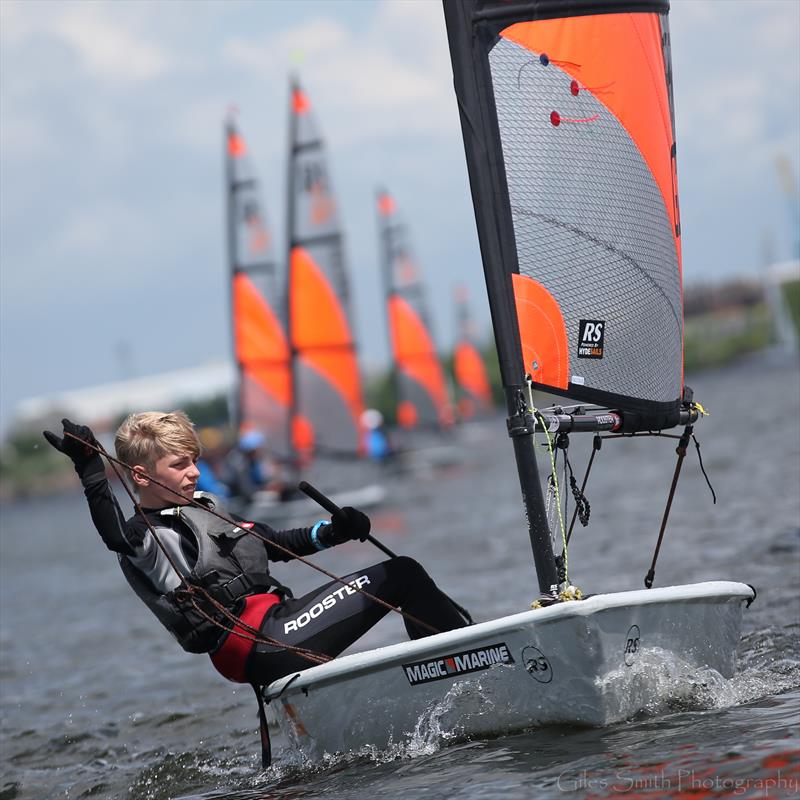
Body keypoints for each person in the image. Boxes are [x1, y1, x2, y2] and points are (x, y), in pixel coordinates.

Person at [44, 412, 468, 688]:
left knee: (399, 572)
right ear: (140, 475)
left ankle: (446, 674)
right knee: (404, 574)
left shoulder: (206, 507)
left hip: (275, 626)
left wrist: (336, 530)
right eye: (179, 465)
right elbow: (113, 534)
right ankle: (466, 672)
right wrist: (90, 471)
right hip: (259, 643)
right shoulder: (146, 537)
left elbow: (275, 543)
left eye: (193, 460)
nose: (193, 472)